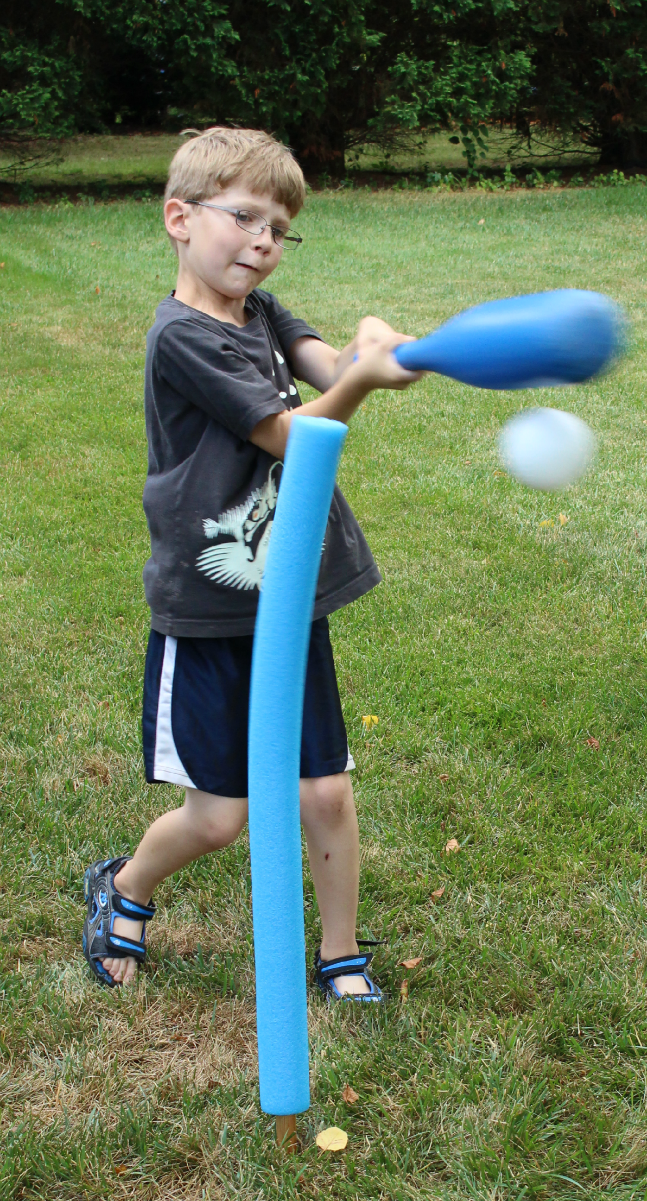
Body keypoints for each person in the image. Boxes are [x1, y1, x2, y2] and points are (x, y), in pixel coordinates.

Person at [81, 126, 420, 1000]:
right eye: (246, 217)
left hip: (289, 594)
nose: (265, 240)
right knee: (220, 815)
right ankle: (125, 886)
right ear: (179, 218)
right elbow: (291, 430)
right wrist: (364, 380)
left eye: (280, 226)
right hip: (209, 604)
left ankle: (340, 951)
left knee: (326, 794)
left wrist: (376, 351)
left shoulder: (263, 315)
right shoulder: (181, 338)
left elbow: (331, 367)